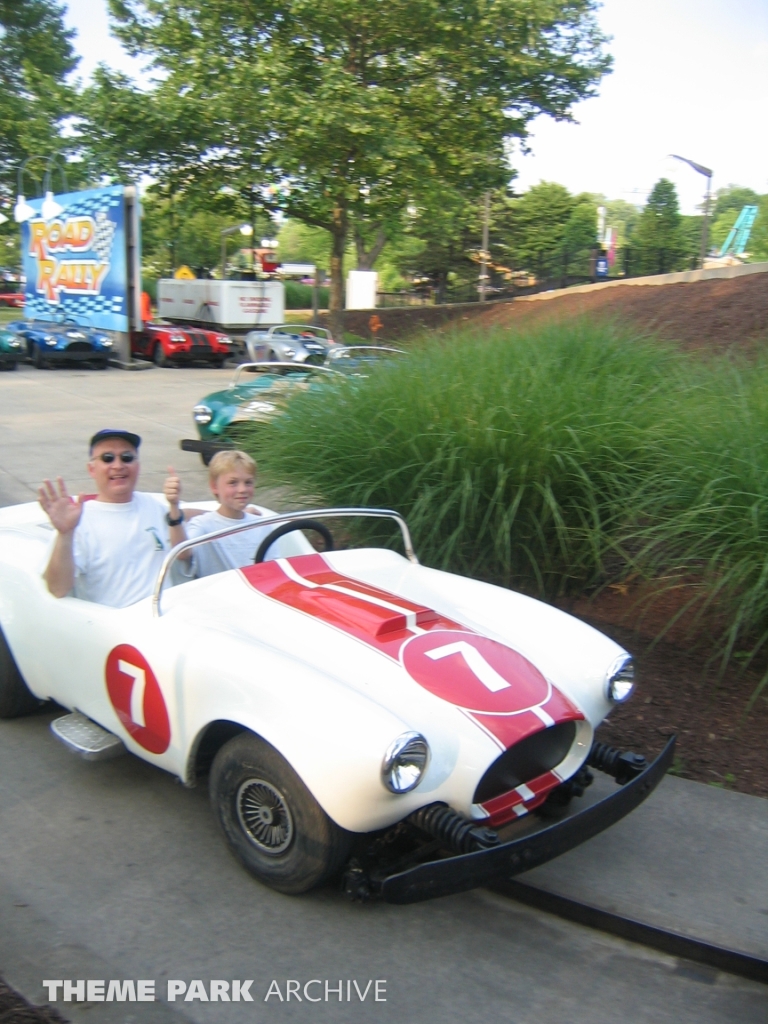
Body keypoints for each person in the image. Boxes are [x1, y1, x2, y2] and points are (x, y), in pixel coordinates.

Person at [38, 429, 188, 607]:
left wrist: (174, 507)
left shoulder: (153, 505)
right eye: (107, 458)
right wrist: (64, 534)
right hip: (115, 628)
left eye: (126, 457)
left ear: (138, 466)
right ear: (92, 469)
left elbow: (183, 555)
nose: (118, 465)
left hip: (166, 618)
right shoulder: (77, 521)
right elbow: (58, 589)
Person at [183, 450, 274, 576]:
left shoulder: (262, 526)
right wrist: (173, 507)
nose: (242, 489)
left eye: (248, 482)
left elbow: (272, 570)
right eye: (233, 483)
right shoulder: (203, 526)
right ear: (214, 486)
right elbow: (183, 554)